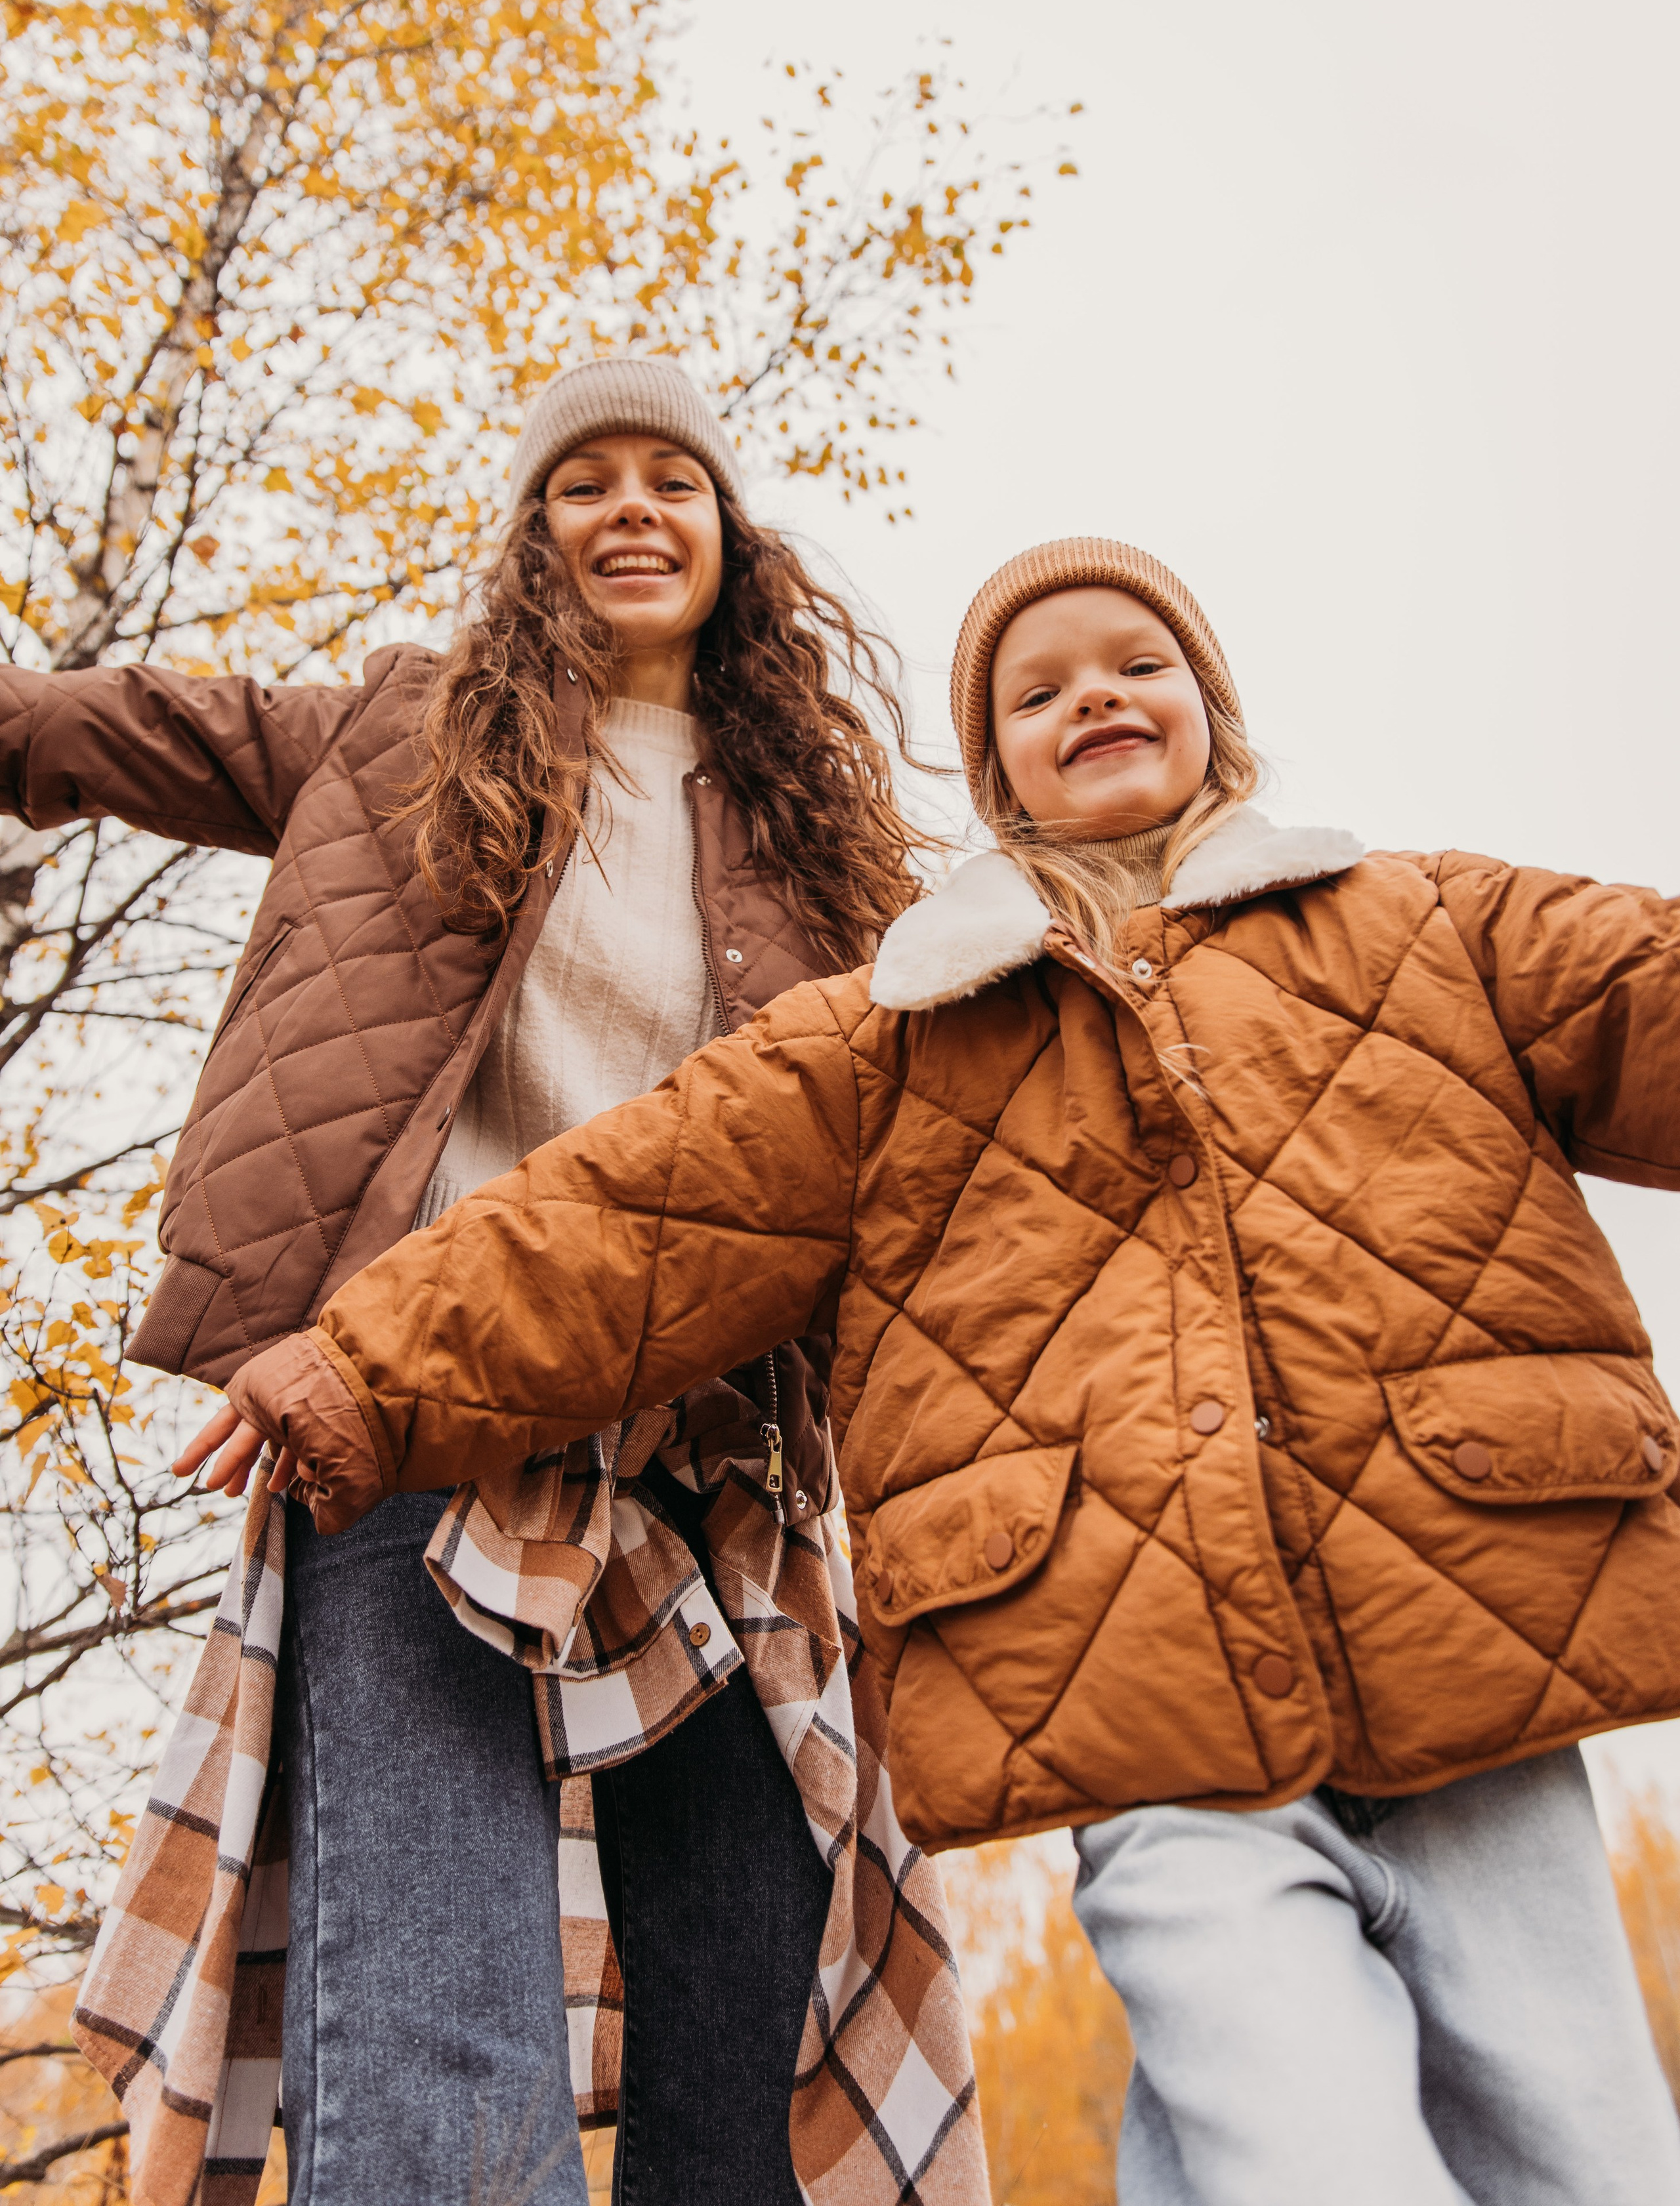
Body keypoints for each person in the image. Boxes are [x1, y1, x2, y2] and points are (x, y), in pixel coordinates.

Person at [194, 530, 1680, 2206]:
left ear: (1216, 713)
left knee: (1583, 2138)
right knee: (1297, 2136)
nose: (1094, 698)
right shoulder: (899, 1036)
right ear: (993, 775)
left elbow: (1650, 995)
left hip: (1481, 1656)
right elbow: (637, 1213)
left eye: (1137, 665)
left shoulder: (1423, 923)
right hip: (1144, 1714)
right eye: (1038, 692)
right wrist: (357, 1364)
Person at [21, 359, 984, 2206]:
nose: (631, 510)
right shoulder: (397, 732)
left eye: (672, 482)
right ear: (532, 536)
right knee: (433, 1995)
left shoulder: (816, 845)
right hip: (406, 1408)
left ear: (728, 535)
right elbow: (116, 725)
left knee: (752, 1996)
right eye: (583, 484)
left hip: (714, 1464)